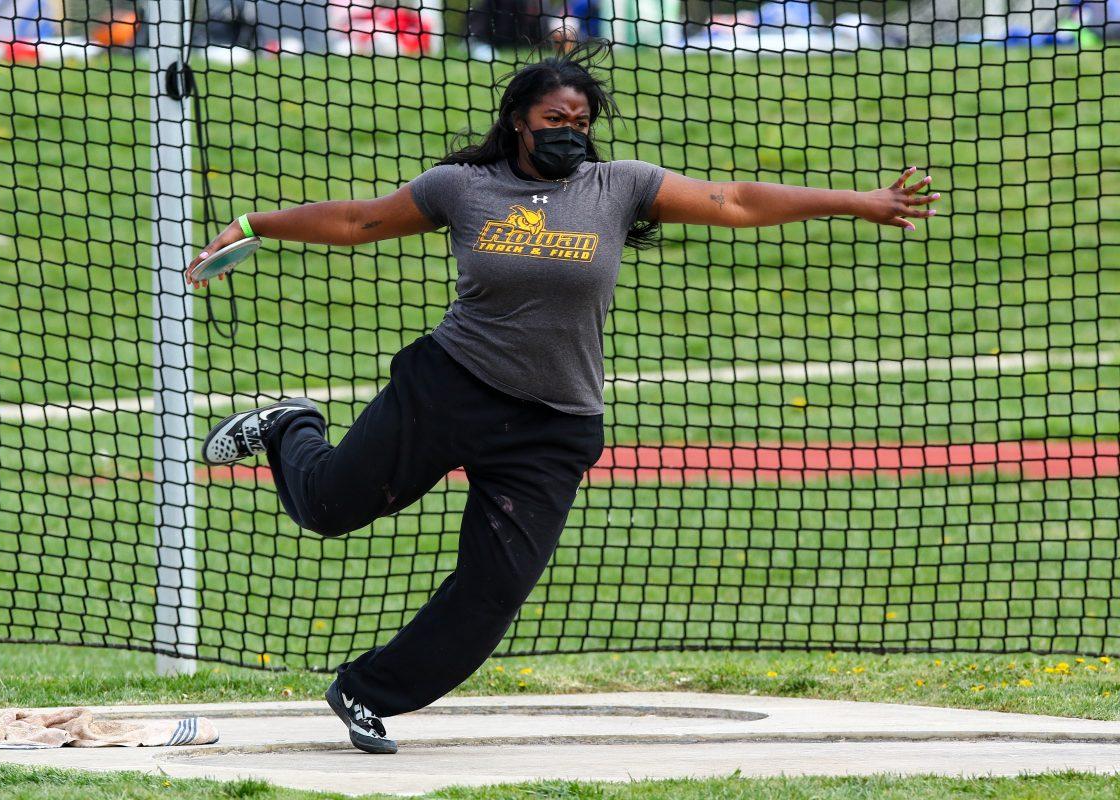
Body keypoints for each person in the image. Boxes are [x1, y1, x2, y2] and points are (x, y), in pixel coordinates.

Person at [186, 39, 940, 754]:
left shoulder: (620, 188)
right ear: (519, 121)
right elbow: (359, 220)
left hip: (553, 427)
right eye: (555, 121)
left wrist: (855, 201)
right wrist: (256, 223)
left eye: (581, 122)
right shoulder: (464, 188)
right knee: (328, 508)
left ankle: (367, 692)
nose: (570, 133)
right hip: (453, 387)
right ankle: (292, 427)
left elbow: (735, 200)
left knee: (494, 591)